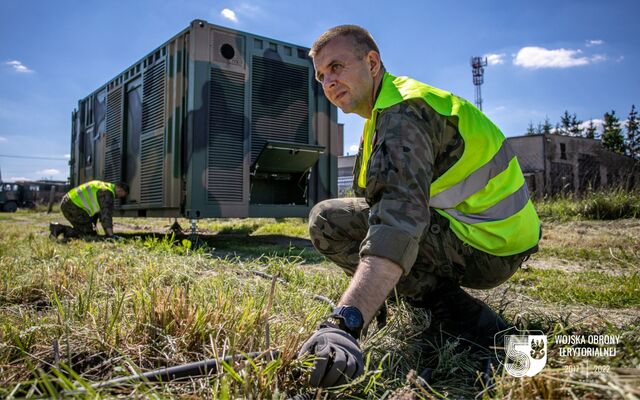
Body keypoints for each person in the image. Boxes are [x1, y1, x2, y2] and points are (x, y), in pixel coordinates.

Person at [298, 25, 541, 388]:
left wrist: (346, 322)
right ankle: (446, 306)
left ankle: (462, 318)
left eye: (336, 67)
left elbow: (396, 225)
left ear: (372, 62)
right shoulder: (383, 114)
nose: (328, 82)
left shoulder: (402, 114)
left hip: (490, 243)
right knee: (338, 218)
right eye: (320, 76)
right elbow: (378, 206)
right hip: (496, 234)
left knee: (328, 221)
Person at [50, 180, 128, 239]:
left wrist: (93, 226)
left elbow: (99, 213)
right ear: (119, 188)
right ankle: (59, 228)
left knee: (88, 231)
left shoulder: (104, 186)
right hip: (72, 206)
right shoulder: (107, 192)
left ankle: (60, 229)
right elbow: (106, 214)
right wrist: (110, 235)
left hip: (69, 202)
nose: (120, 197)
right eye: (121, 194)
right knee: (88, 235)